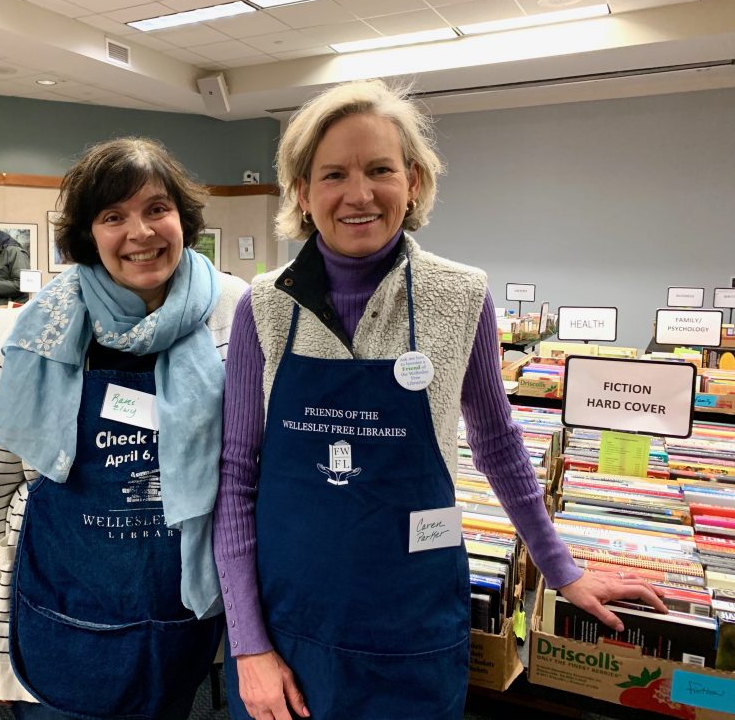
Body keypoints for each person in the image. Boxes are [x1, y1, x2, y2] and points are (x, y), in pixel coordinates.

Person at [212, 79, 668, 720]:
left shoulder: (459, 296)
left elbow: (500, 445)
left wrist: (561, 569)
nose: (359, 194)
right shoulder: (262, 304)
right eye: (333, 174)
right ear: (302, 194)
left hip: (412, 624)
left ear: (415, 181)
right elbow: (235, 479)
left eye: (380, 170)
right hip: (288, 629)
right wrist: (249, 645)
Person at [0, 137, 247, 719]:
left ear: (182, 219)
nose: (140, 232)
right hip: (58, 609)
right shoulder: (33, 336)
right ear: (88, 234)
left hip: (182, 611)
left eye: (157, 209)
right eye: (113, 216)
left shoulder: (236, 316)